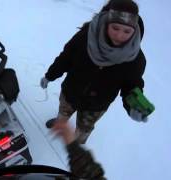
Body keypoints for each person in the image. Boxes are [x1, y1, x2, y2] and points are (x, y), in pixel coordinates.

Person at [40, 0, 149, 144]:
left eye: (127, 31)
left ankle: (78, 142)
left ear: (134, 30)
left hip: (96, 105)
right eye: (115, 28)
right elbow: (66, 57)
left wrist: (132, 107)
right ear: (107, 23)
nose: (120, 36)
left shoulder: (135, 59)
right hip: (71, 92)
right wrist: (50, 75)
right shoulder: (86, 37)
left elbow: (131, 86)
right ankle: (60, 124)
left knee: (84, 127)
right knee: (63, 113)